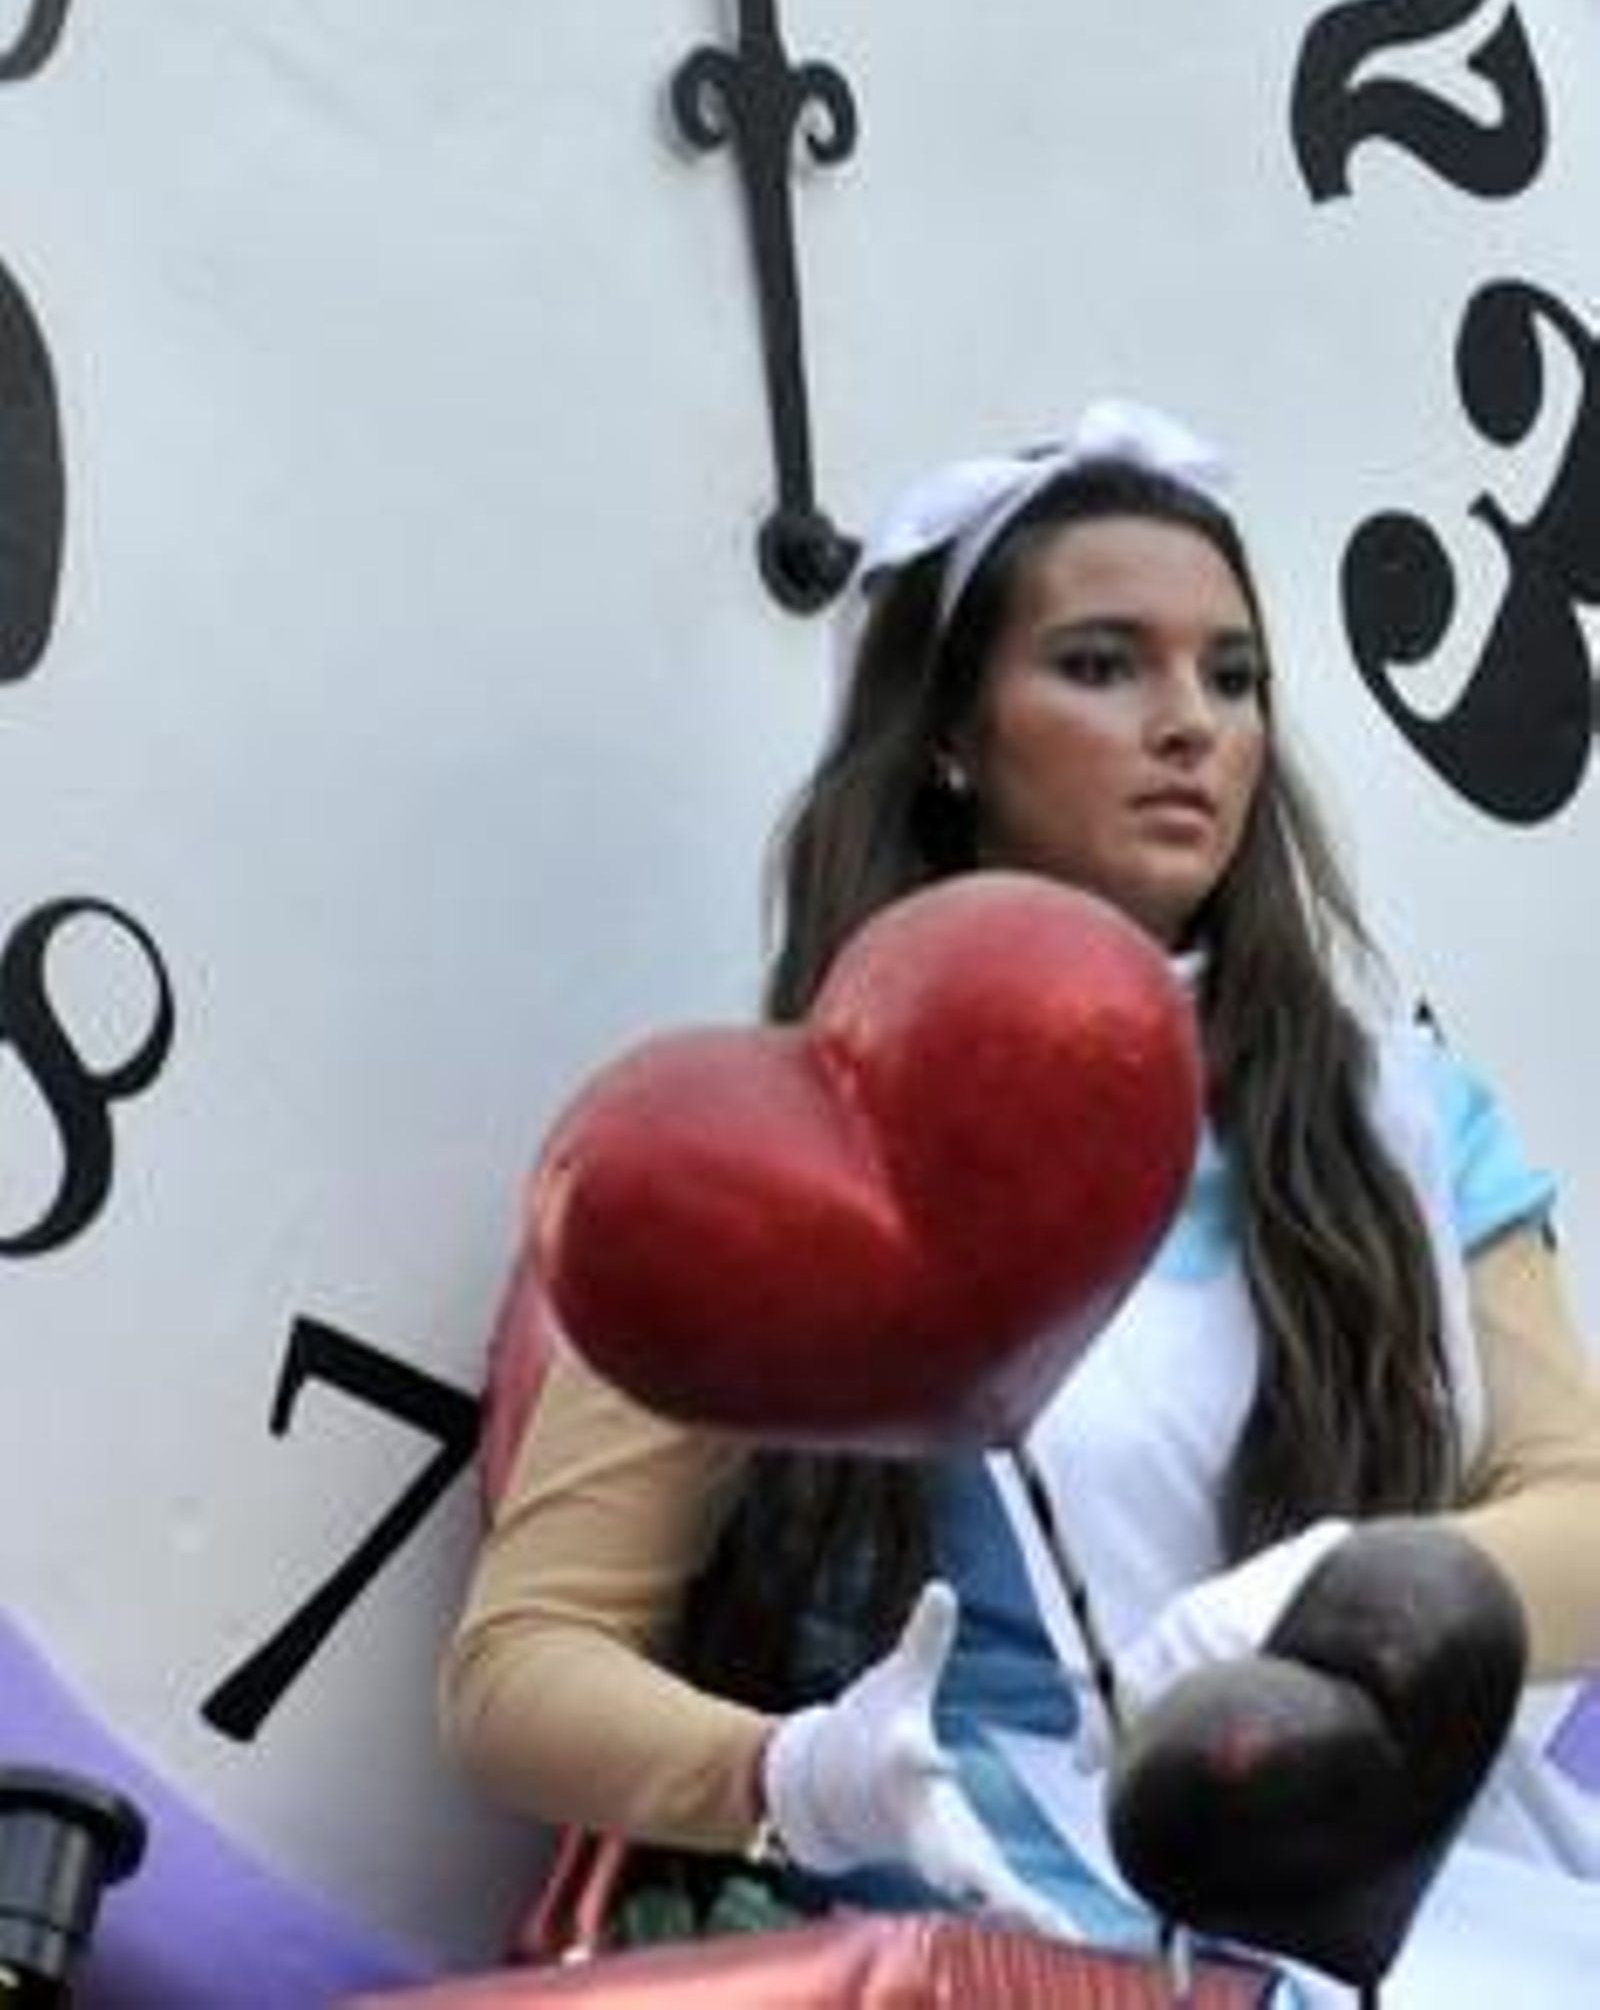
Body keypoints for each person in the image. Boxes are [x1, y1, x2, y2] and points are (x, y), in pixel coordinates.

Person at [440, 398, 1600, 2002]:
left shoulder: (1402, 1122)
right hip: (980, 1959)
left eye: (1234, 675)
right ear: (950, 730)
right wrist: (788, 1776)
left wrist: (1351, 1600)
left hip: (1406, 1936)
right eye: (1103, 663)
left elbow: (1588, 1519)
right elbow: (521, 1666)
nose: (1191, 722)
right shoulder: (773, 1168)